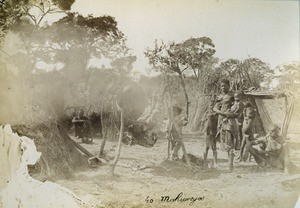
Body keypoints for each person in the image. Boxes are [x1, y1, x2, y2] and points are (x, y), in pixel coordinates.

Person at [213, 78, 237, 170]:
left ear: (229, 85)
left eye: (225, 86)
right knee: (223, 140)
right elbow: (215, 108)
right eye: (221, 86)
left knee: (230, 140)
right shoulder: (220, 96)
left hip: (229, 120)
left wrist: (229, 114)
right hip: (221, 119)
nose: (223, 87)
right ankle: (227, 162)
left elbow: (236, 106)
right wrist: (222, 113)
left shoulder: (233, 95)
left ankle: (230, 164)